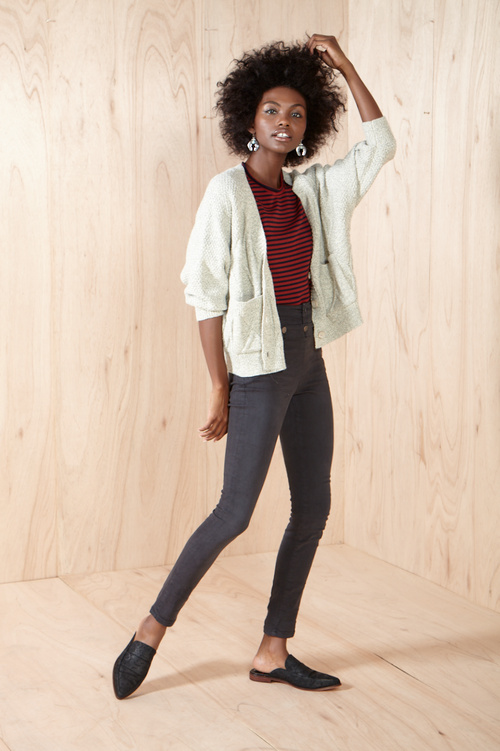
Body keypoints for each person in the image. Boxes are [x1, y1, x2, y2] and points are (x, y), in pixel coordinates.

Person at [113, 33, 396, 699]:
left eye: (297, 113)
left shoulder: (314, 191)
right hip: (259, 368)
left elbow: (381, 145)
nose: (283, 122)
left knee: (314, 503)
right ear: (249, 119)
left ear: (307, 128)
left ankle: (274, 649)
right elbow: (204, 295)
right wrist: (219, 385)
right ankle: (151, 628)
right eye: (272, 110)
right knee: (235, 510)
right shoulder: (226, 194)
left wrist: (346, 66)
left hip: (307, 359)